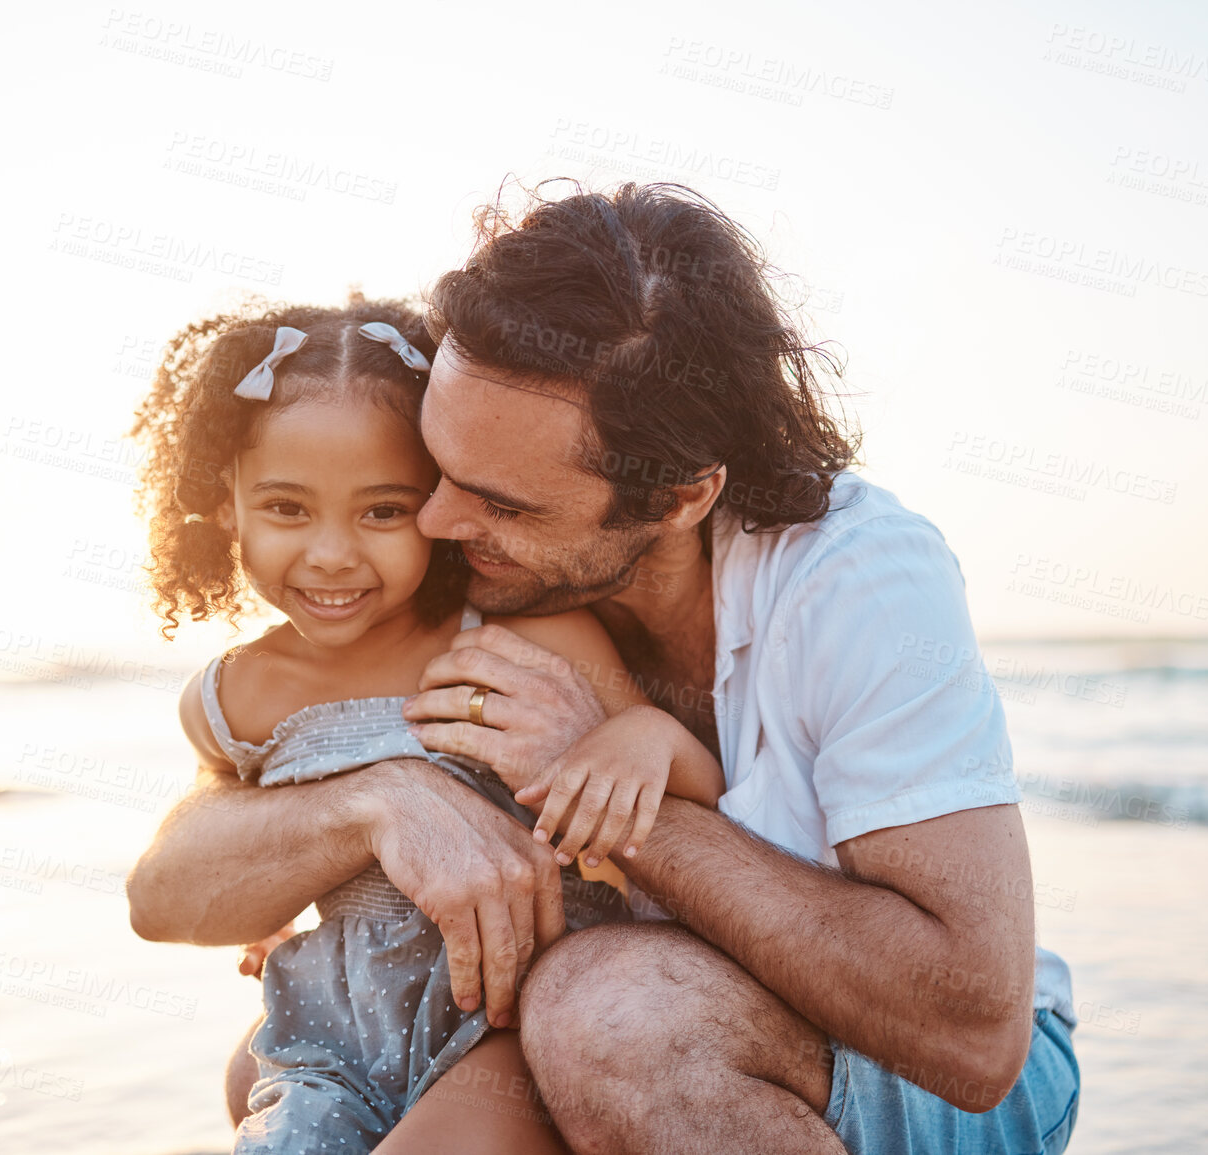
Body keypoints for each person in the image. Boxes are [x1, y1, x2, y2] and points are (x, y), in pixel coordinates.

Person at [130, 182, 1079, 1154]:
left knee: (605, 1015)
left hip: (921, 1074)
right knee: (271, 1060)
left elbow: (973, 1038)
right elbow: (174, 876)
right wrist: (377, 805)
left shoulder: (860, 583)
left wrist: (598, 783)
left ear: (675, 499)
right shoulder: (479, 587)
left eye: (500, 503)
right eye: (434, 469)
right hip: (662, 1022)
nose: (437, 523)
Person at [127, 296, 723, 1153]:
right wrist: (266, 906)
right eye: (287, 508)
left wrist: (645, 738)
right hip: (327, 1036)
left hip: (506, 1020)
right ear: (225, 507)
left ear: (440, 505)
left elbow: (693, 779)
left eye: (382, 510)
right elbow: (228, 834)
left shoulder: (521, 638)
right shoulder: (234, 695)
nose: (331, 552)